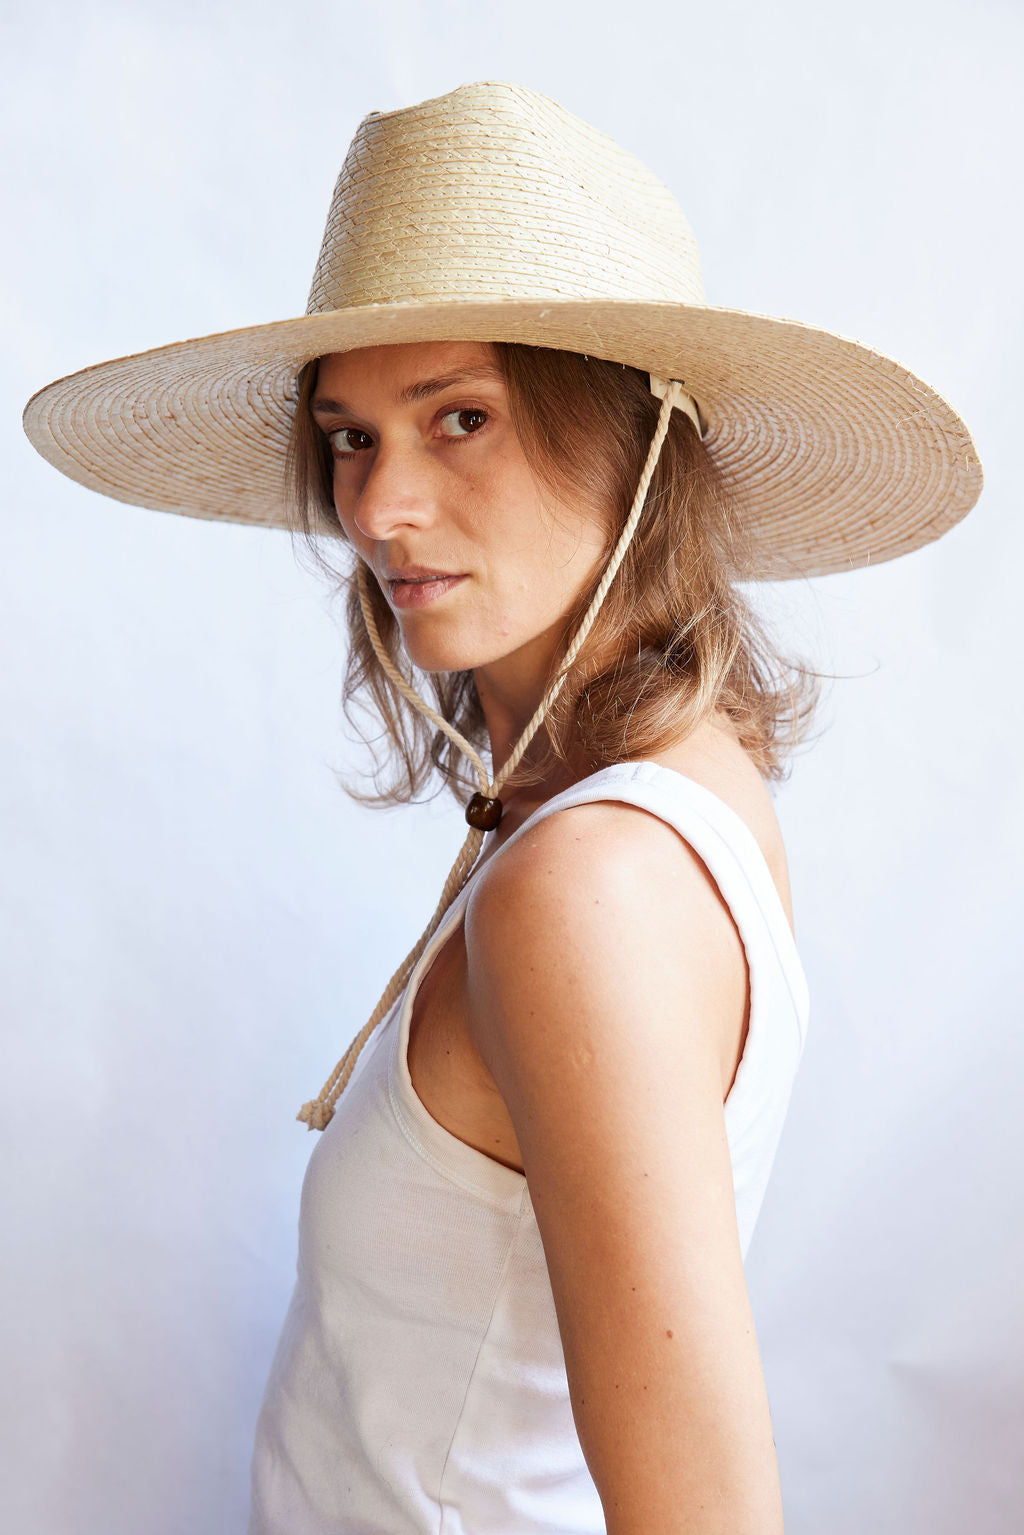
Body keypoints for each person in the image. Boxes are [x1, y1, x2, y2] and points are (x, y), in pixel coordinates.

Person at [22, 81, 982, 1535]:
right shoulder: (678, 788)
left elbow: (705, 1514)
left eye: (458, 417)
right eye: (350, 436)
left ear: (629, 441)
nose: (375, 509)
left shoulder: (590, 885)